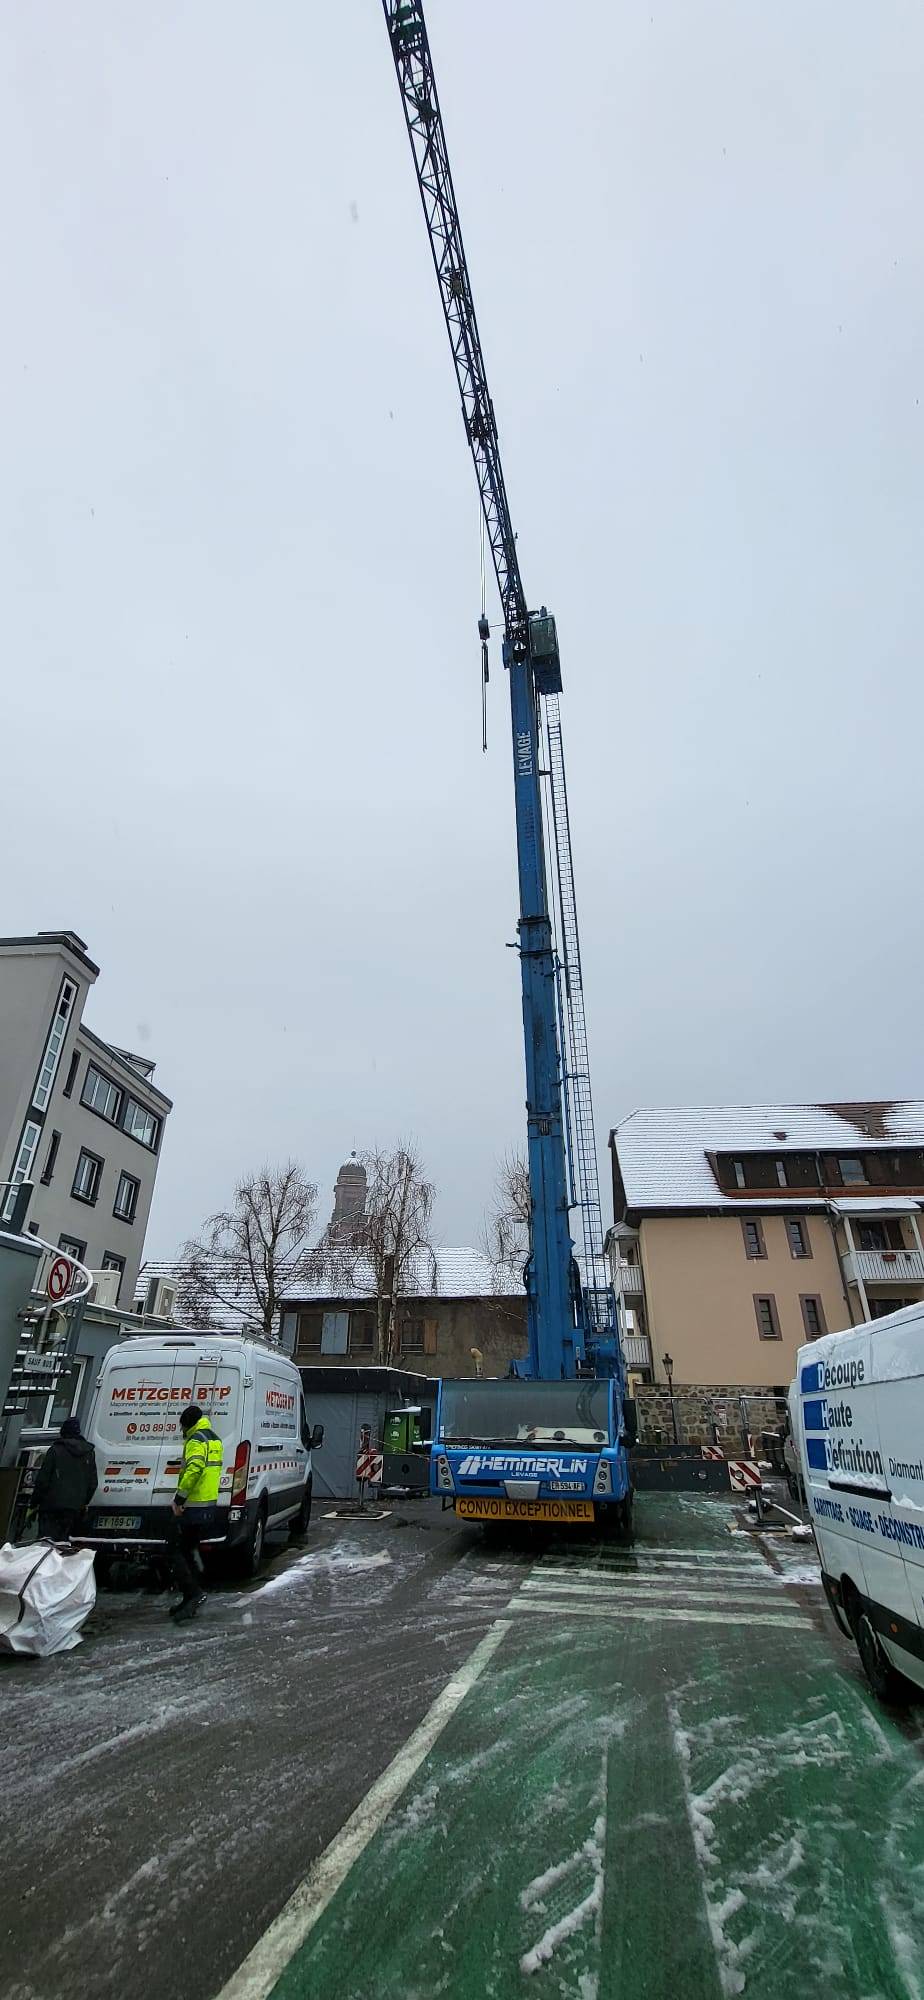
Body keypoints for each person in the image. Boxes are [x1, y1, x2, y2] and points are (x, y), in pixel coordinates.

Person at [165, 1403, 224, 1622]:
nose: (181, 1430)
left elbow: (195, 1468)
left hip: (193, 1504)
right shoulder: (213, 1437)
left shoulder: (196, 1439)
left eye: (182, 1425)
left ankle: (194, 1593)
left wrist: (180, 1499)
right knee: (187, 1548)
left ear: (186, 1423)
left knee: (174, 1547)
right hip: (207, 1503)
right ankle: (191, 1594)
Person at [32, 1416, 98, 1542]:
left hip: (51, 1507)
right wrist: (83, 1502)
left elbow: (42, 1480)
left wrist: (34, 1503)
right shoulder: (88, 1453)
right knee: (64, 1543)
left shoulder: (55, 1450)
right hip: (74, 1509)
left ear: (63, 1431)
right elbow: (92, 1483)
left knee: (46, 1543)